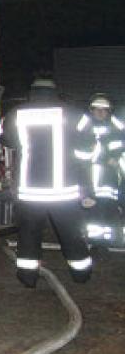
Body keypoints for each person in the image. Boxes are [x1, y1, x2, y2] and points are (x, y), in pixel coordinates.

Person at [1, 78, 93, 288]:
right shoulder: (75, 114)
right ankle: (81, 274)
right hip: (64, 191)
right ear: (55, 92)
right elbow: (88, 150)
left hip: (30, 191)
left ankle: (27, 277)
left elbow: (5, 139)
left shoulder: (15, 114)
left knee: (29, 234)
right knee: (70, 233)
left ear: (32, 92)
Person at [74, 93, 125, 245]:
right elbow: (80, 152)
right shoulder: (84, 126)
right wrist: (104, 157)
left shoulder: (116, 126)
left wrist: (112, 157)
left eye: (104, 110)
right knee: (92, 211)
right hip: (89, 178)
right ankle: (95, 241)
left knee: (109, 208)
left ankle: (107, 241)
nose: (100, 112)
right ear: (91, 110)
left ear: (110, 111)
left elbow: (118, 147)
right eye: (97, 109)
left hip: (109, 178)